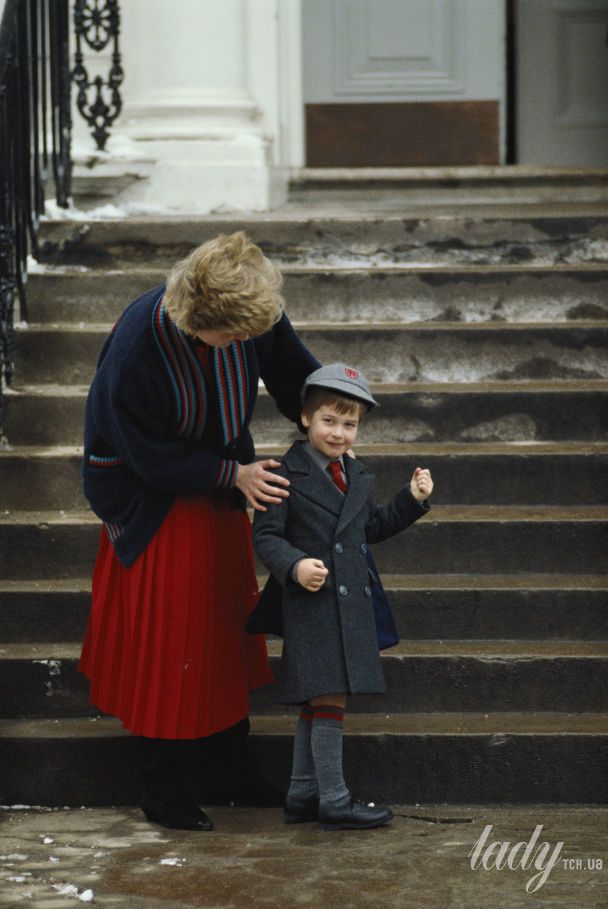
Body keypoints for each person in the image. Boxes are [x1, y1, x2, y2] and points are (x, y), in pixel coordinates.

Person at [78, 231, 319, 831]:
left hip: (220, 482)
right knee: (174, 641)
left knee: (225, 631)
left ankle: (228, 770)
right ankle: (161, 786)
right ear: (196, 319)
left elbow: (293, 373)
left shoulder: (250, 310)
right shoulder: (138, 345)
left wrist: (330, 415)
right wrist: (229, 474)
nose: (244, 343)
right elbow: (144, 452)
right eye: (232, 337)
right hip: (152, 495)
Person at [252, 364, 434, 830]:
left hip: (348, 604)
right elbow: (266, 538)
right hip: (311, 603)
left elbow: (369, 528)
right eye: (329, 421)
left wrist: (410, 499)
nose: (339, 433)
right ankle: (334, 798)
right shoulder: (284, 474)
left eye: (349, 424)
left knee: (318, 700)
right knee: (329, 695)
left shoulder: (353, 474)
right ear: (305, 419)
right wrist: (294, 565)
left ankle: (301, 793)